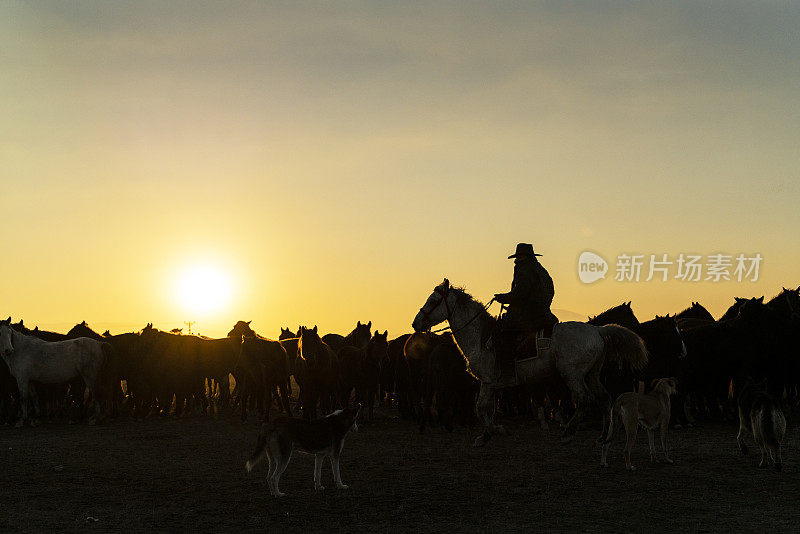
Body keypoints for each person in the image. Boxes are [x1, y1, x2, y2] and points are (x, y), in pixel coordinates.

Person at [493, 243, 558, 362]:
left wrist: (503, 298)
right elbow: (551, 291)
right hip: (543, 311)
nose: (516, 261)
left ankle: (507, 366)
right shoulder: (540, 270)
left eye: (518, 257)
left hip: (529, 314)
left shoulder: (525, 270)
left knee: (503, 334)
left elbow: (520, 294)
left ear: (524, 257)